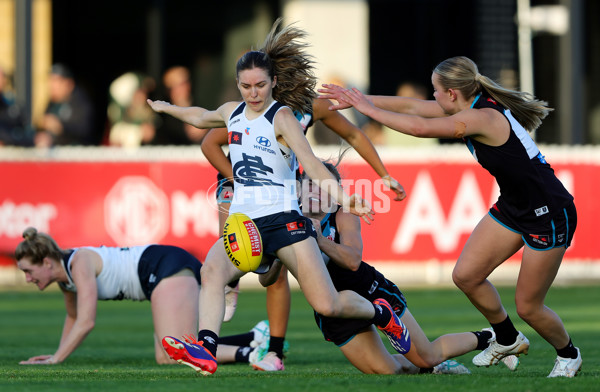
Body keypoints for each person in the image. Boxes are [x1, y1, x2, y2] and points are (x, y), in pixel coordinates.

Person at [147, 18, 406, 376]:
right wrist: (167, 108)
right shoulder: (231, 113)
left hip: (286, 221)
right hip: (246, 220)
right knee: (211, 271)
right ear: (238, 84)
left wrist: (346, 200)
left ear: (273, 83)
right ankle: (206, 349)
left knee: (327, 304)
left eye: (260, 85)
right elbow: (201, 117)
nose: (253, 93)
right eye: (246, 86)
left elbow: (313, 166)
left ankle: (381, 313)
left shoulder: (281, 116)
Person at [318, 56, 581, 378]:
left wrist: (365, 110)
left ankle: (569, 355)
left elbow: (419, 127)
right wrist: (356, 100)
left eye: (436, 91)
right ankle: (508, 338)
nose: (433, 98)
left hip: (548, 212)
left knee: (528, 306)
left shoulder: (483, 117)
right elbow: (412, 108)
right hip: (514, 208)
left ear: (452, 93)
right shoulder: (465, 106)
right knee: (467, 276)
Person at [200, 88, 406, 371]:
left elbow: (354, 135)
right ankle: (230, 284)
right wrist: (240, 182)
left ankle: (274, 351)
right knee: (228, 246)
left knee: (281, 269)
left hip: (281, 186)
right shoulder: (250, 110)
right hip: (241, 179)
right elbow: (210, 143)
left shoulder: (310, 107)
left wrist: (384, 175)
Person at [258, 157, 519, 375]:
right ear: (299, 189)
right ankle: (438, 368)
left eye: (325, 186)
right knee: (387, 372)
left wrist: (318, 239)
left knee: (425, 355)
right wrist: (280, 253)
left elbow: (352, 260)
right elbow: (266, 281)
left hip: (368, 290)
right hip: (333, 310)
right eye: (311, 184)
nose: (316, 191)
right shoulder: (285, 221)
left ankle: (490, 338)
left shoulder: (343, 214)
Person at [14, 226, 261, 366]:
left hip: (164, 266)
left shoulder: (79, 263)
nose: (27, 278)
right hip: (159, 272)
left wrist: (56, 360)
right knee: (166, 358)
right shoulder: (65, 279)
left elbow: (86, 321)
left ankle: (253, 354)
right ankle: (254, 338)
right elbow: (73, 316)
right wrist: (55, 354)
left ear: (46, 262)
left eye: (28, 271)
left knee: (176, 353)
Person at [35, 64, 95, 147]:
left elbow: (84, 129)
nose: (52, 86)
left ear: (69, 84)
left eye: (56, 81)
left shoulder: (80, 102)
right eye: (50, 81)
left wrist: (61, 126)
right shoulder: (51, 104)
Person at [152, 66, 209, 145]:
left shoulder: (200, 106)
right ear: (169, 91)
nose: (183, 89)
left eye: (184, 84)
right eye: (177, 86)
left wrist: (206, 127)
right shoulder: (163, 114)